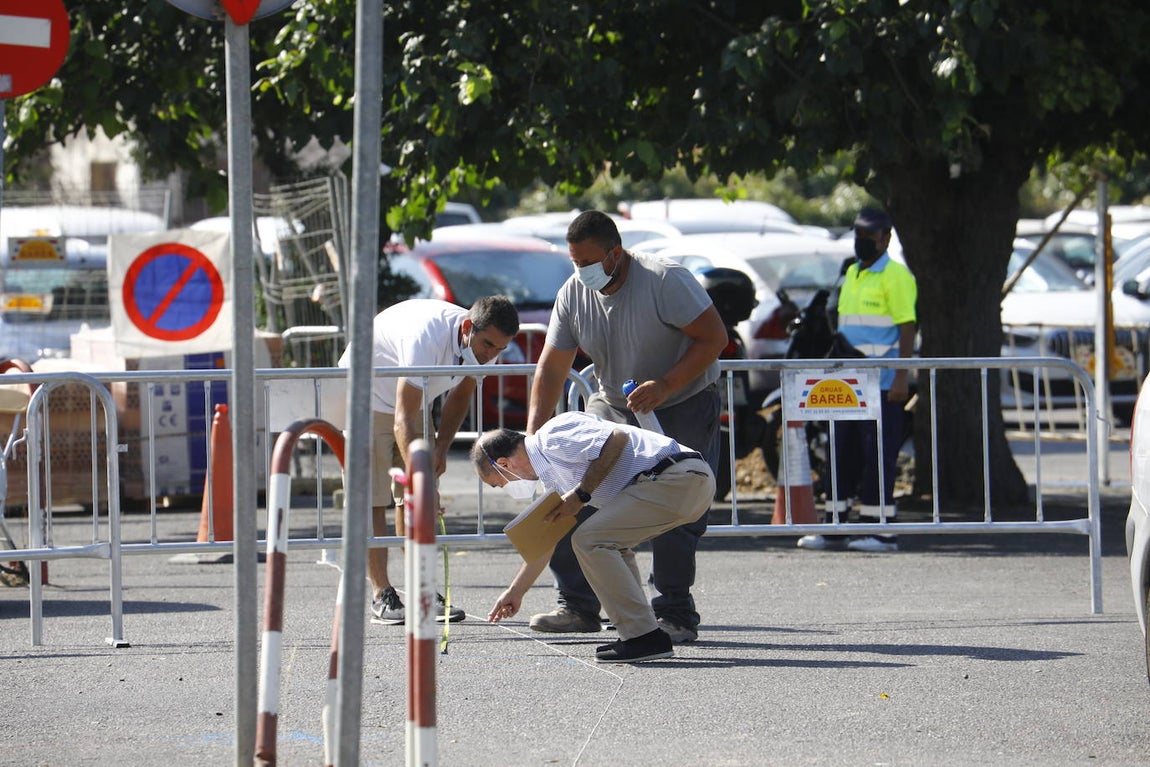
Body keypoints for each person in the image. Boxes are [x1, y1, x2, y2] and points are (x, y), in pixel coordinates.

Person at [524, 210, 728, 643]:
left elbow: (714, 338)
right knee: (568, 484)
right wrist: (536, 440)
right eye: (575, 263)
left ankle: (674, 613)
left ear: (615, 254)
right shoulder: (574, 292)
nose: (582, 273)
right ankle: (578, 605)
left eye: (589, 263)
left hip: (683, 401)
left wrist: (667, 385)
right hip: (615, 404)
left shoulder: (665, 280)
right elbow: (552, 367)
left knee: (672, 504)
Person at [476, 411, 715, 663]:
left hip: (678, 478)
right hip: (683, 483)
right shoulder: (553, 479)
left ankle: (644, 637)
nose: (505, 488)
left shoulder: (552, 436)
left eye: (497, 483)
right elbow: (548, 541)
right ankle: (640, 632)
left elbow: (617, 437)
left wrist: (580, 494)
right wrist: (515, 591)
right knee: (609, 543)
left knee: (590, 540)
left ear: (503, 464)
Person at [338, 296, 520, 624]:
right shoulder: (425, 339)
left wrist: (441, 448)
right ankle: (382, 594)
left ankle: (421, 589)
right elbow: (401, 419)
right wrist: (422, 481)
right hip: (363, 395)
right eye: (488, 345)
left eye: (500, 349)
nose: (491, 355)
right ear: (468, 328)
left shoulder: (484, 348)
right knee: (372, 499)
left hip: (414, 402)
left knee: (411, 502)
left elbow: (460, 396)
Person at [797, 208, 917, 553]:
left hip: (881, 381)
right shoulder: (852, 272)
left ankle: (880, 531)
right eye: (859, 235)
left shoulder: (896, 276)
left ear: (886, 238)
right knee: (841, 452)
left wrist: (901, 378)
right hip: (848, 383)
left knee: (877, 454)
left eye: (870, 236)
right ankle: (836, 528)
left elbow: (907, 327)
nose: (862, 242)